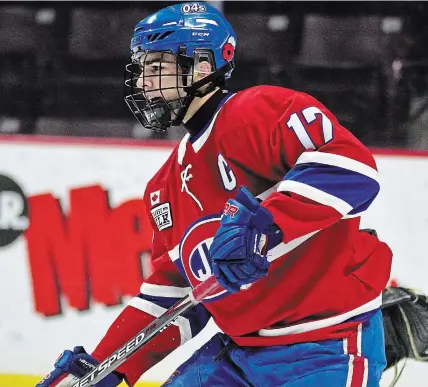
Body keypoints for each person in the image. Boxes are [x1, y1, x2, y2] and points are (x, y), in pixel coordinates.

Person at [37, 2, 394, 386]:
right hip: (239, 356)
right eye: (142, 70)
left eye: (156, 68)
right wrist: (105, 365)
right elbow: (175, 296)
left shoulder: (260, 111)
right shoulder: (163, 188)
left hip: (327, 345)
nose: (143, 83)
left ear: (202, 68)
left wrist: (268, 224)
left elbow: (354, 169)